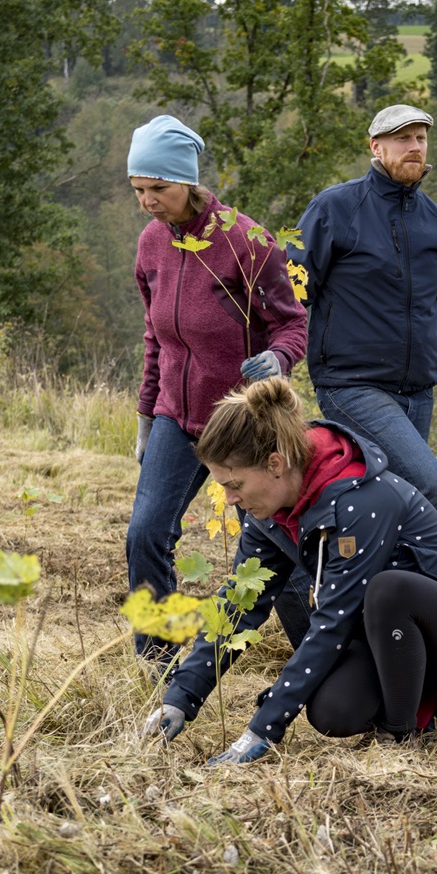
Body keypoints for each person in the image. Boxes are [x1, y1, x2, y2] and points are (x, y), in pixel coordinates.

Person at [141, 378, 437, 766]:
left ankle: (399, 735)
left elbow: (335, 619)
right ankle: (417, 704)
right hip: (385, 637)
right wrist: (180, 699)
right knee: (332, 712)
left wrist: (262, 730)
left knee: (388, 590)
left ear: (275, 464)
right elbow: (240, 605)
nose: (230, 499)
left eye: (235, 484)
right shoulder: (270, 516)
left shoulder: (361, 499)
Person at [126, 113, 308, 663]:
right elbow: (155, 338)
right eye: (138, 189)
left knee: (277, 546)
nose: (148, 201)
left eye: (159, 187)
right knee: (145, 535)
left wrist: (276, 358)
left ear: (188, 181)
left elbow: (293, 323)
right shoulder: (152, 245)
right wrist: (145, 417)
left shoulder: (244, 241)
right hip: (175, 420)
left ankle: (320, 657)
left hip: (243, 423)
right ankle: (155, 660)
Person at [293, 104, 437, 513]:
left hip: (417, 393)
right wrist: (273, 356)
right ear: (376, 147)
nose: (415, 146)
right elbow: (291, 289)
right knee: (425, 487)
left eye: (421, 138)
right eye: (403, 138)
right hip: (351, 385)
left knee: (388, 503)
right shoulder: (334, 208)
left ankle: (364, 575)